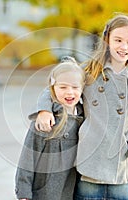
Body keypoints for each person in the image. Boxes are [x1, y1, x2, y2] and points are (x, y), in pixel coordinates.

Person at [35, 12, 128, 200]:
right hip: (89, 168)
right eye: (118, 40)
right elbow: (56, 87)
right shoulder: (89, 72)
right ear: (107, 40)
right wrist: (44, 109)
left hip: (120, 172)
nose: (124, 47)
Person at [15, 56, 86, 200]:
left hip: (71, 191)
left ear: (83, 87)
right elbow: (28, 158)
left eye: (75, 87)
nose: (69, 93)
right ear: (52, 88)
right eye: (63, 87)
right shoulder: (45, 121)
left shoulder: (84, 118)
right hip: (44, 192)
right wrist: (24, 192)